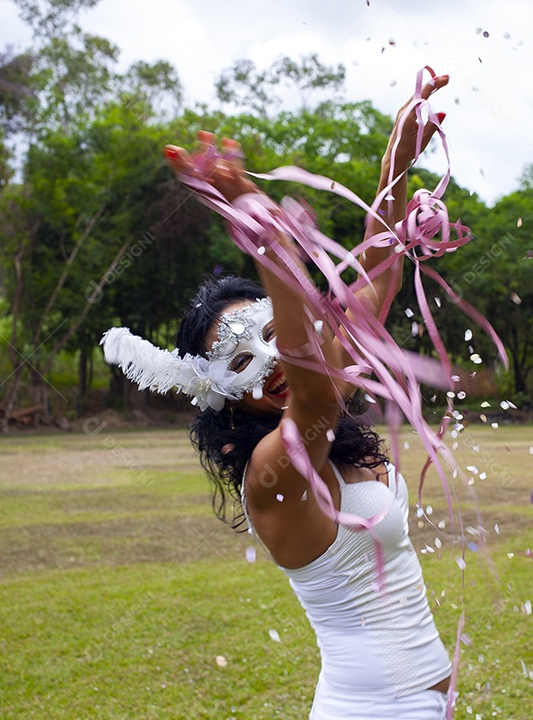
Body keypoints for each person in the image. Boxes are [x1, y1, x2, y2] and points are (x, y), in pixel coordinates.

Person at [157, 74, 453, 719]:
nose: (269, 359)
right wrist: (270, 240)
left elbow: (383, 271)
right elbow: (314, 399)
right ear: (220, 392)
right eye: (239, 359)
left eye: (270, 332)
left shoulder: (321, 387)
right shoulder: (270, 472)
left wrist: (394, 167)